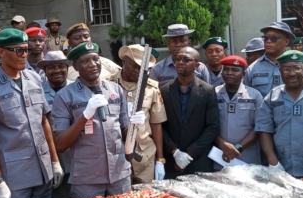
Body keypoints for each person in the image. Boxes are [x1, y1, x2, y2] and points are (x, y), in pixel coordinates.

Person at [0, 28, 64, 198]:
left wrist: (55, 161)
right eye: (19, 50)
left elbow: (43, 122)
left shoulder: (33, 77)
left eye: (27, 50)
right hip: (14, 177)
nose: (25, 55)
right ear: (1, 52)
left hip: (43, 169)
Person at [52, 42, 145, 198]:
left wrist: (133, 126)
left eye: (96, 59)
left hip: (119, 175)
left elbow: (125, 136)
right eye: (85, 61)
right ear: (75, 66)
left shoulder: (115, 90)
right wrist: (85, 116)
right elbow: (60, 144)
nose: (92, 64)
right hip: (87, 179)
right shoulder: (64, 96)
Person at [255, 50, 303, 184]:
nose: (292, 73)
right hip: (282, 171)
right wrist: (274, 163)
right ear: (280, 71)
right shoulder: (273, 96)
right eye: (287, 69)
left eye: (296, 68)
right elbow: (264, 129)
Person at [109, 44, 167, 183]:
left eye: (142, 67)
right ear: (124, 62)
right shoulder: (108, 85)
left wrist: (160, 159)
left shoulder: (152, 88)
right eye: (134, 66)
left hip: (145, 155)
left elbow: (156, 124)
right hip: (117, 156)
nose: (138, 70)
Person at [160, 46, 220, 179]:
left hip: (199, 161)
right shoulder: (164, 90)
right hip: (171, 161)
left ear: (197, 65)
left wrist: (189, 154)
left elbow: (212, 127)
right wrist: (175, 152)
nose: (180, 62)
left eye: (186, 60)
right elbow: (160, 125)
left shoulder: (208, 91)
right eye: (178, 59)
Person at [37, 51, 73, 198]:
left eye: (61, 66)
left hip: (75, 158)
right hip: (47, 160)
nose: (57, 70)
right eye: (51, 67)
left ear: (67, 68)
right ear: (45, 71)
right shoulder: (37, 91)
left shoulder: (77, 87)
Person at [214, 55, 263, 168]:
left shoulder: (254, 95)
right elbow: (206, 126)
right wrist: (222, 145)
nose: (230, 73)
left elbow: (259, 127)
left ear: (244, 74)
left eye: (235, 70)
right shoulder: (212, 93)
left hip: (246, 156)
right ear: (221, 73)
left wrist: (237, 148)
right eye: (226, 69)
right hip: (220, 156)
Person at [244, 22, 303, 97]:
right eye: (265, 38)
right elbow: (248, 98)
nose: (268, 41)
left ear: (286, 41)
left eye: (274, 38)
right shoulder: (252, 68)